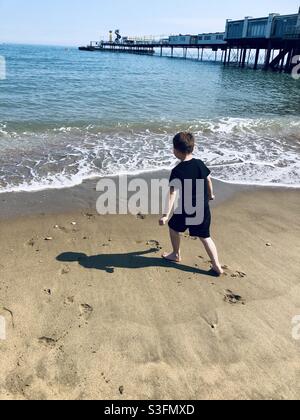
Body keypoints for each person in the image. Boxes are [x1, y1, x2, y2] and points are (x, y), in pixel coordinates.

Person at [159, 132, 223, 276]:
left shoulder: (177, 171)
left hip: (186, 209)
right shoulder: (200, 164)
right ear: (192, 148)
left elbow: (172, 193)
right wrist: (210, 194)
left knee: (173, 227)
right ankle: (217, 265)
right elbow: (208, 180)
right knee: (205, 237)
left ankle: (176, 254)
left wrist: (165, 215)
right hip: (202, 207)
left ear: (176, 150)